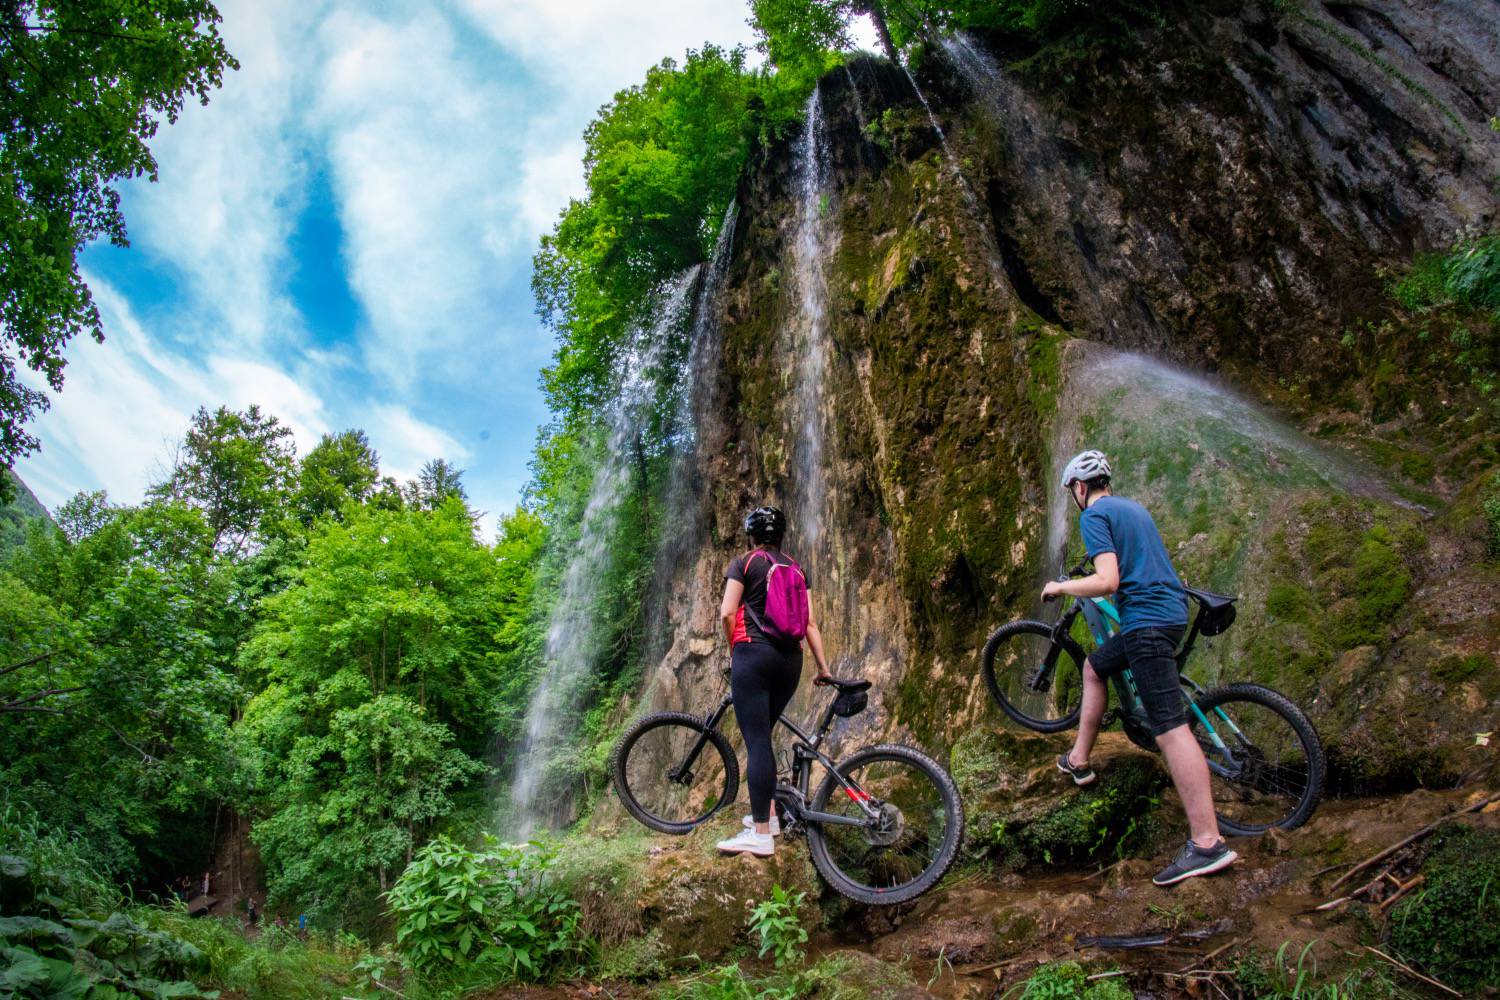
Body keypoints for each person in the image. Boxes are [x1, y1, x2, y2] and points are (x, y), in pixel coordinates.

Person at [1044, 450, 1237, 886]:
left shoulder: (1093, 516)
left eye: (1072, 490)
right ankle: (1078, 759)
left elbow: (1108, 580)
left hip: (1147, 622)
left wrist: (1061, 586)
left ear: (1079, 487)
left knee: (1170, 729)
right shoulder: (1134, 509)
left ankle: (1207, 843)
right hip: (1167, 614)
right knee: (1095, 666)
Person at [714, 505, 833, 857]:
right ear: (781, 536)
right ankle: (768, 816)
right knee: (763, 735)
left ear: (751, 535)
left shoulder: (744, 563)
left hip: (754, 656)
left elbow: (727, 613)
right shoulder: (796, 568)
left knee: (757, 742)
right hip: (791, 661)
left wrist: (735, 650)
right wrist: (823, 668)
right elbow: (810, 624)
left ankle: (761, 834)